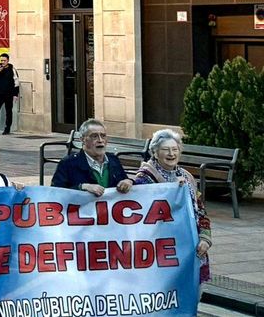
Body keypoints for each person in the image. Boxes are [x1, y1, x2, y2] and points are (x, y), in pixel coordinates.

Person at [132, 129, 212, 283]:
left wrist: (205, 238)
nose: (171, 154)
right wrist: (172, 192)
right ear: (155, 153)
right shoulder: (144, 179)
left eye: (175, 149)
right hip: (160, 251)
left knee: (191, 296)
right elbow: (140, 217)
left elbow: (200, 210)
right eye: (165, 150)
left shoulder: (187, 177)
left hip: (189, 247)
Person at [50, 118, 133, 196]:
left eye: (103, 136)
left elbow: (125, 182)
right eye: (94, 136)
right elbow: (55, 194)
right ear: (82, 139)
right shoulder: (68, 163)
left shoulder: (113, 160)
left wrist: (128, 181)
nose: (100, 140)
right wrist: (82, 187)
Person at [0, 54, 19, 135]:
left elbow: (16, 82)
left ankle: (7, 128)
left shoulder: (12, 69)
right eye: (1, 60)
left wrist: (15, 94)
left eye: (4, 60)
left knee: (8, 112)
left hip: (8, 94)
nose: (2, 62)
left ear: (8, 60)